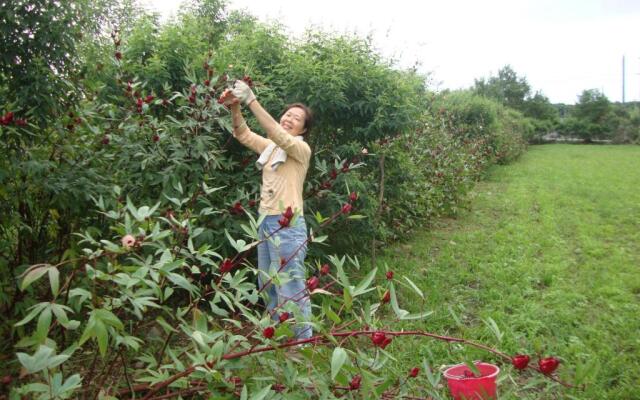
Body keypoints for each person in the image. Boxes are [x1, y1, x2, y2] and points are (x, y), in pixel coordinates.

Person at [221, 80, 313, 339]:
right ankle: (280, 339)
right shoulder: (272, 149)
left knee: (291, 286)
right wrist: (236, 106)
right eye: (288, 114)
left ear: (304, 129)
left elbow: (276, 133)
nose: (289, 119)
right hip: (266, 222)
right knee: (268, 285)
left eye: (296, 118)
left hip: (289, 224)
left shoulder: (300, 149)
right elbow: (243, 134)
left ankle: (302, 344)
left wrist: (252, 100)